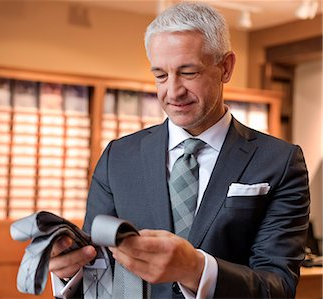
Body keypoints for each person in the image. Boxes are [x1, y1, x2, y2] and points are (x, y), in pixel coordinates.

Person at [49, 2, 310, 298]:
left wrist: (195, 269)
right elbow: (101, 272)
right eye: (160, 75)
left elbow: (278, 288)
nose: (173, 92)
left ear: (225, 67)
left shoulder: (279, 161)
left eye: (188, 72)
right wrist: (71, 270)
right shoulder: (118, 158)